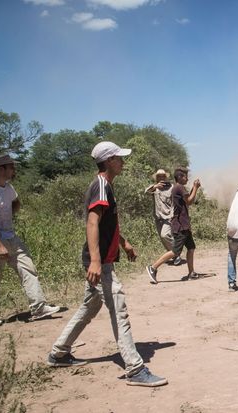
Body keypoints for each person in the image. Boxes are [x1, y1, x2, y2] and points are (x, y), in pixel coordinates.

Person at [47, 141, 167, 388]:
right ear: (109, 161)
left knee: (89, 308)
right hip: (100, 263)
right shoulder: (101, 186)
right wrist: (95, 261)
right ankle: (134, 369)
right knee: (118, 308)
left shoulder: (105, 186)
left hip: (103, 260)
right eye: (119, 158)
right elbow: (92, 223)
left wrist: (124, 243)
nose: (123, 162)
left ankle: (58, 353)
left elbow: (104, 224)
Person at [0, 154, 60, 327]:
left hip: (10, 236)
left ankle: (39, 307)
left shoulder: (8, 187)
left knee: (28, 268)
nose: (14, 170)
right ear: (1, 169)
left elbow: (16, 203)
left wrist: (9, 213)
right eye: (11, 167)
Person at [146, 168, 200, 284]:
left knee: (191, 248)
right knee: (175, 251)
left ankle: (191, 273)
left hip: (183, 224)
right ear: (180, 177)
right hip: (180, 224)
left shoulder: (174, 187)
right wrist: (195, 187)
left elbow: (187, 200)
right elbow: (189, 201)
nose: (187, 178)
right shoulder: (179, 187)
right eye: (185, 176)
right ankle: (153, 267)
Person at [144, 169, 182, 265]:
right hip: (158, 217)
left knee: (164, 235)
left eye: (162, 176)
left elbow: (175, 203)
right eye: (159, 176)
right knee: (163, 238)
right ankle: (173, 255)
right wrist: (155, 186)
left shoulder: (171, 188)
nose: (161, 178)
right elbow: (146, 192)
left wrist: (173, 216)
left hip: (168, 216)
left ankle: (176, 254)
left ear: (165, 177)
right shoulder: (154, 188)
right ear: (156, 178)